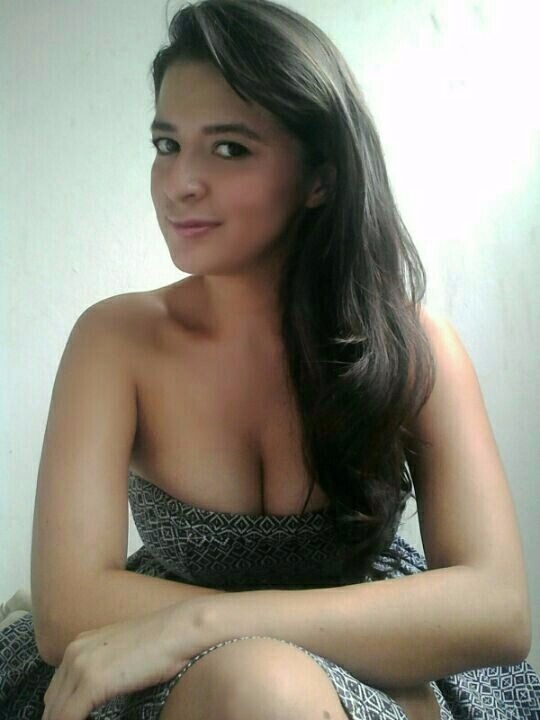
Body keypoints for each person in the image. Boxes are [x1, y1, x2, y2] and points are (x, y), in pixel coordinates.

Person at [1, 0, 539, 718]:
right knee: (256, 684)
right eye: (167, 144)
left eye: (229, 149)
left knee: (264, 683)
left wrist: (204, 622)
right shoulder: (115, 340)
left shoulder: (414, 345)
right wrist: (219, 643)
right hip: (171, 676)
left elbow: (498, 608)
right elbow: (67, 608)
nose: (180, 182)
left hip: (358, 655)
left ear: (321, 176)